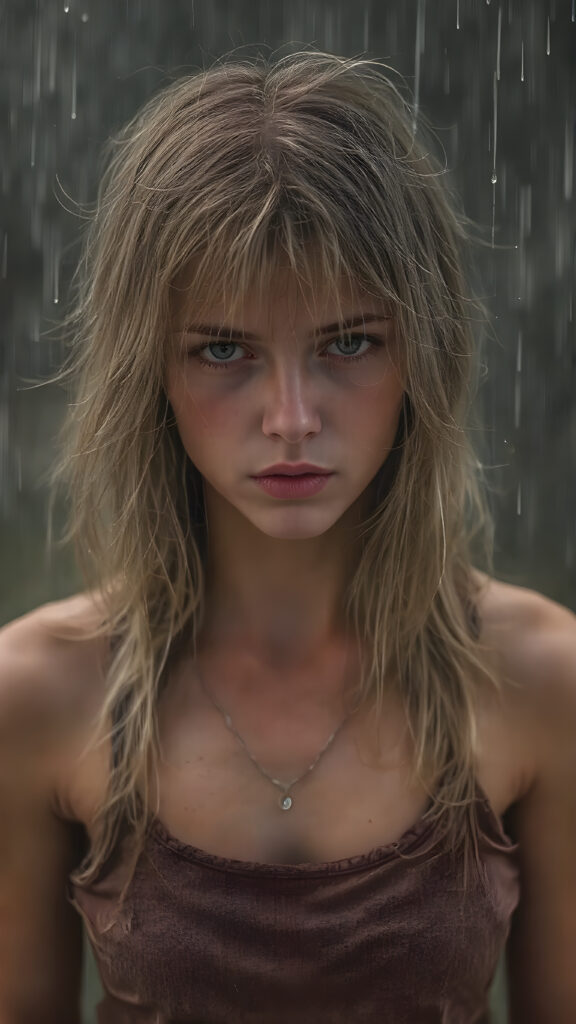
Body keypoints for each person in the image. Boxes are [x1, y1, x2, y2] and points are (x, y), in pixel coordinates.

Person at [0, 49, 574, 1024]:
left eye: (348, 342)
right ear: (156, 373)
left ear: (419, 355)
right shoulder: (40, 694)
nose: (292, 416)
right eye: (225, 349)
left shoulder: (541, 680)